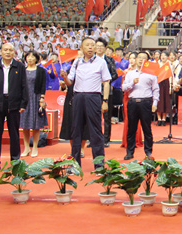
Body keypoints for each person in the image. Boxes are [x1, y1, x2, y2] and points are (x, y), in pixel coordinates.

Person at [61, 37, 111, 169]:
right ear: (82, 48)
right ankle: (75, 165)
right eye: (87, 45)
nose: (90, 47)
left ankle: (99, 165)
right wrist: (64, 77)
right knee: (76, 130)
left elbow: (106, 82)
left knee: (96, 131)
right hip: (78, 97)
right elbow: (69, 83)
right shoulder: (77, 62)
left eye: (92, 45)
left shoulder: (101, 62)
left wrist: (105, 101)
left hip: (93, 97)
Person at [0, 43, 28, 172]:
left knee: (14, 134)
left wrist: (23, 103)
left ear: (14, 52)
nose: (8, 52)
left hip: (14, 103)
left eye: (10, 50)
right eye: (5, 50)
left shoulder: (19, 66)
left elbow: (24, 86)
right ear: (1, 52)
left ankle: (15, 162)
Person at [121, 52, 160, 160]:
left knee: (147, 129)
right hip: (132, 102)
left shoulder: (151, 74)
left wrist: (155, 103)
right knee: (131, 129)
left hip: (146, 102)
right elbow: (124, 88)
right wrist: (132, 83)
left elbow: (156, 90)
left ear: (147, 61)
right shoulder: (130, 74)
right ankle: (130, 152)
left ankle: (148, 152)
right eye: (139, 57)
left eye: (143, 58)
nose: (140, 60)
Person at [19, 51, 47, 158]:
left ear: (36, 59)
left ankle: (35, 147)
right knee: (25, 125)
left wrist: (42, 98)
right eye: (28, 57)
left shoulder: (41, 71)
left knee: (36, 125)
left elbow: (43, 85)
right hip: (24, 99)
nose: (30, 59)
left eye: (32, 57)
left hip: (36, 98)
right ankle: (26, 148)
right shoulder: (22, 70)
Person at [95, 38, 118, 147]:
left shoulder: (109, 60)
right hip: (93, 90)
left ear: (105, 48)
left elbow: (115, 74)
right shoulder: (91, 60)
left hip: (106, 91)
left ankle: (106, 139)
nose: (99, 48)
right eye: (97, 46)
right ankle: (94, 138)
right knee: (94, 116)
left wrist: (106, 81)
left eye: (101, 46)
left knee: (107, 116)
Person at [156, 51, 172, 126]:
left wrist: (170, 86)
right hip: (158, 83)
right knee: (159, 101)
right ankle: (159, 119)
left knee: (165, 101)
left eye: (164, 55)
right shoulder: (157, 65)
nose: (163, 57)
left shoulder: (169, 65)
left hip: (166, 84)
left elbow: (171, 76)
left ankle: (163, 119)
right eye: (161, 55)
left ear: (167, 57)